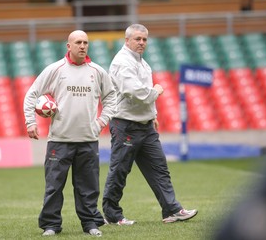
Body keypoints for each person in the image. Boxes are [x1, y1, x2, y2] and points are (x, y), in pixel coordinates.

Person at [102, 24, 197, 225]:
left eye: (144, 39)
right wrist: (156, 91)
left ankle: (171, 210)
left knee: (159, 168)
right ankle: (112, 215)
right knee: (120, 170)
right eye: (137, 39)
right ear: (126, 40)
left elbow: (141, 96)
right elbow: (134, 92)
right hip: (125, 125)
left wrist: (152, 114)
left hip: (144, 125)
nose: (142, 43)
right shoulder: (122, 62)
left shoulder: (142, 63)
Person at [23, 30, 116, 237]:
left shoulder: (97, 71)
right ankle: (51, 225)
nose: (82, 46)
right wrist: (31, 122)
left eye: (85, 42)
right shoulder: (55, 70)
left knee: (88, 187)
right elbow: (32, 94)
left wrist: (101, 121)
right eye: (78, 42)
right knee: (54, 187)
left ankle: (90, 223)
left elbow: (111, 97)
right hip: (60, 140)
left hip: (88, 140)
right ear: (69, 46)